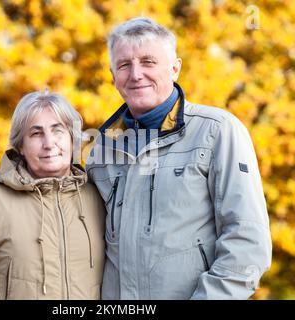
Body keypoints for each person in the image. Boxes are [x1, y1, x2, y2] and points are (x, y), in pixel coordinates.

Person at [85, 17, 272, 299]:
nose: (135, 74)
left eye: (148, 62)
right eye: (124, 65)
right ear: (113, 77)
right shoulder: (102, 150)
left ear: (174, 68)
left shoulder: (217, 130)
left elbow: (247, 242)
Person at [0, 91, 105, 299]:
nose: (49, 143)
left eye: (58, 131)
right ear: (20, 145)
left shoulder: (98, 196)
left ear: (72, 138)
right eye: (36, 133)